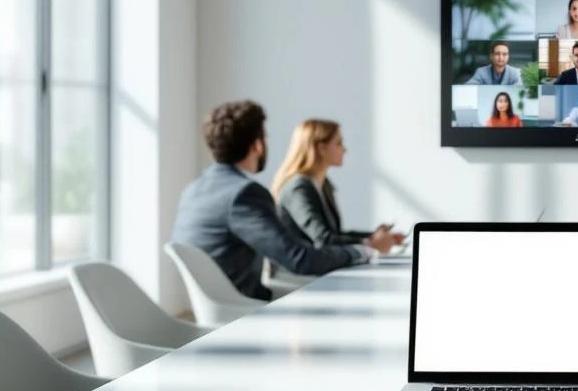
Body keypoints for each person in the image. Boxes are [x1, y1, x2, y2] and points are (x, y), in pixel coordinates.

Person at [171, 101, 374, 301]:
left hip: (212, 304)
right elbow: (299, 259)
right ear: (257, 146)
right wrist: (361, 251)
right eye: (266, 137)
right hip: (242, 306)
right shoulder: (244, 194)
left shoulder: (193, 189)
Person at [271, 119, 404, 254]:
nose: (344, 149)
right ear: (321, 148)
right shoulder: (298, 188)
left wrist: (374, 236)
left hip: (321, 268)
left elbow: (334, 234)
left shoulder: (323, 185)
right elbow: (323, 239)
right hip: (299, 273)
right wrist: (370, 243)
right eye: (339, 143)